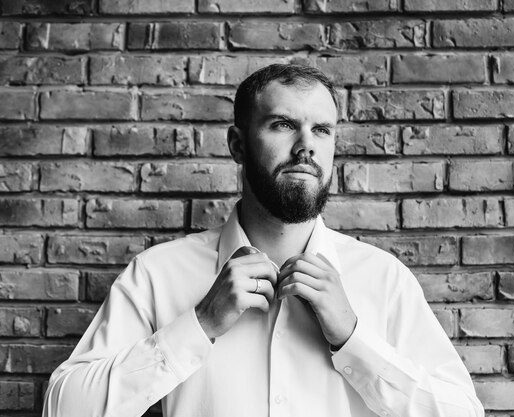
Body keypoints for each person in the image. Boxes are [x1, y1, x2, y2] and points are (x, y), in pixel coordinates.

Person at [43, 64, 484, 417]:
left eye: (322, 131)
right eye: (282, 125)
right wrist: (198, 325)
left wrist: (354, 339)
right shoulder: (158, 274)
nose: (305, 147)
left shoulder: (384, 281)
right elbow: (63, 409)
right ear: (238, 144)